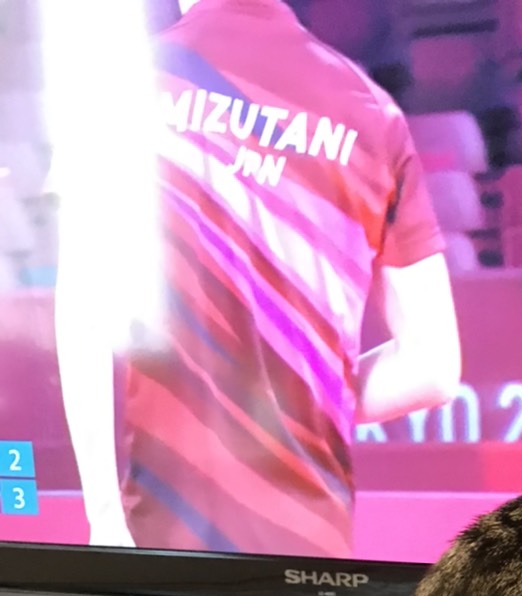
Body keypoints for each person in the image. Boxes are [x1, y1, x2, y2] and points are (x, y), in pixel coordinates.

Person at [50, 0, 461, 555]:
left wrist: (103, 517)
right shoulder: (371, 112)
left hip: (165, 538)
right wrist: (297, 395)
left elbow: (86, 315)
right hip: (311, 554)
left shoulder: (121, 88)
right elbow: (433, 370)